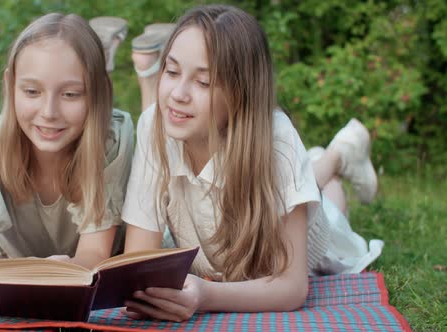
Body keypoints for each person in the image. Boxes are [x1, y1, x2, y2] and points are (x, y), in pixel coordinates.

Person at [121, 4, 383, 321]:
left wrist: (206, 295)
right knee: (307, 178)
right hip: (214, 243)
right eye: (172, 71)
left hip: (306, 245)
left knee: (330, 209)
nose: (178, 93)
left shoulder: (277, 142)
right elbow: (136, 263)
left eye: (203, 82)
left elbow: (291, 287)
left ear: (239, 93)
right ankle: (323, 159)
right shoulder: (154, 125)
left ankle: (340, 153)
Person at [0, 13, 134, 294]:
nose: (49, 113)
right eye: (31, 91)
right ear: (10, 86)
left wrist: (56, 275)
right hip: (18, 260)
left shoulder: (111, 141)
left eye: (71, 94)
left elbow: (95, 254)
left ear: (96, 95)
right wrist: (24, 280)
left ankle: (125, 60)